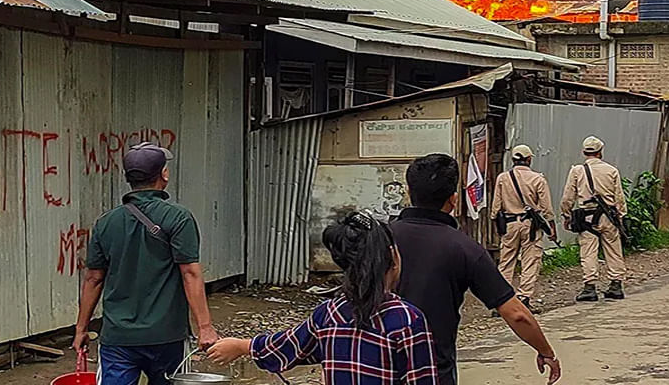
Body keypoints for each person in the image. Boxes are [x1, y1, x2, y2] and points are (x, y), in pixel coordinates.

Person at [207, 212, 439, 384]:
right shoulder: (407, 320)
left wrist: (242, 345)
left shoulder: (329, 314)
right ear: (392, 256)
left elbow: (291, 346)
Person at [391, 154, 560, 384]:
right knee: (526, 262)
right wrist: (546, 351)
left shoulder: (380, 239)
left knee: (507, 261)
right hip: (432, 368)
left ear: (409, 193)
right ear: (453, 199)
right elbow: (516, 314)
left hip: (371, 363)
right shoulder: (464, 248)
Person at [73, 143, 217, 385]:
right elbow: (190, 274)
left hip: (118, 337)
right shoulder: (178, 217)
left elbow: (93, 279)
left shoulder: (105, 223)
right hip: (167, 336)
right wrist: (205, 327)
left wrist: (81, 329)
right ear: (163, 175)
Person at [490, 145, 557, 313]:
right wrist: (551, 227)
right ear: (529, 159)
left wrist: (497, 225)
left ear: (513, 160)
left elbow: (495, 207)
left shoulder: (503, 178)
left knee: (506, 261)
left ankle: (502, 301)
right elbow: (546, 208)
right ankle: (523, 298)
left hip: (509, 224)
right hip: (530, 226)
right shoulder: (538, 179)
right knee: (530, 260)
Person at [561, 136, 628, 303]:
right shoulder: (611, 170)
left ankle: (590, 286)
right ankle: (616, 284)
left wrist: (566, 215)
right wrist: (620, 216)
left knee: (588, 252)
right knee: (613, 250)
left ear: (584, 152)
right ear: (601, 152)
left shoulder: (577, 171)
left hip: (587, 217)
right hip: (609, 216)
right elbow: (619, 197)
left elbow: (568, 197)